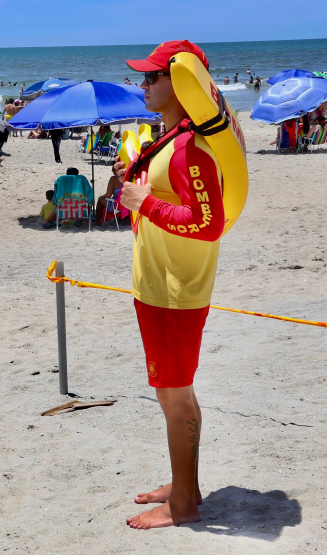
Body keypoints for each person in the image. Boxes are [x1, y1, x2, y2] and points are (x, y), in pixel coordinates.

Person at [117, 40, 227, 530]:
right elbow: (161, 201)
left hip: (176, 294)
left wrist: (146, 202)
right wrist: (137, 188)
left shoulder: (191, 147)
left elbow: (207, 223)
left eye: (150, 77)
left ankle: (182, 506)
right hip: (158, 288)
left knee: (174, 397)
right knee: (176, 395)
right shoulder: (169, 140)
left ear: (179, 81)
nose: (142, 85)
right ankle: (188, 486)